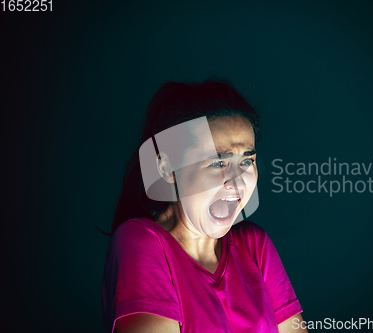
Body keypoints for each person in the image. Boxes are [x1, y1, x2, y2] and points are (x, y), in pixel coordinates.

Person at [101, 79, 308, 333]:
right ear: (168, 169)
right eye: (218, 163)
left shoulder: (256, 245)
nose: (237, 183)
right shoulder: (140, 242)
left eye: (246, 162)